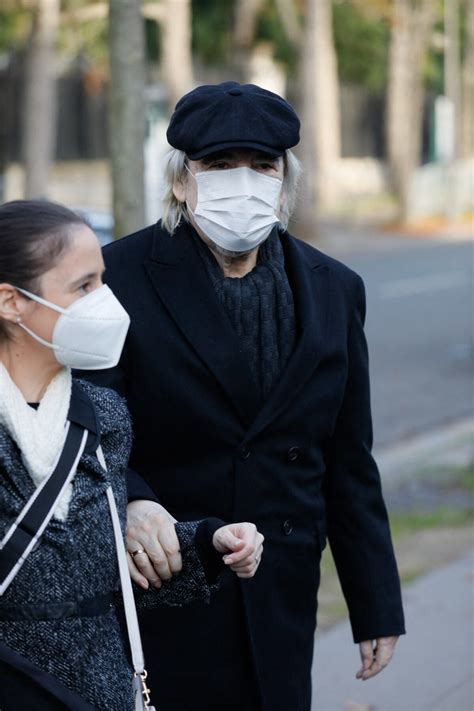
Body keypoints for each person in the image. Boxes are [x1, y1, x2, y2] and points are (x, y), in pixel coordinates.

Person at [81, 81, 406, 711]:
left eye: (263, 166)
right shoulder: (114, 278)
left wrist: (375, 603)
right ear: (181, 180)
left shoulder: (336, 289)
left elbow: (348, 458)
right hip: (166, 581)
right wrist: (133, 502)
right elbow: (85, 425)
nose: (245, 182)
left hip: (281, 589)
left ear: (285, 183)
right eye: (219, 166)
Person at [0, 199, 264, 711]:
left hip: (105, 692)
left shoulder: (103, 415)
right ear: (12, 301)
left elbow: (108, 577)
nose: (105, 300)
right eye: (82, 287)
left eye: (102, 279)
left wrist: (209, 544)